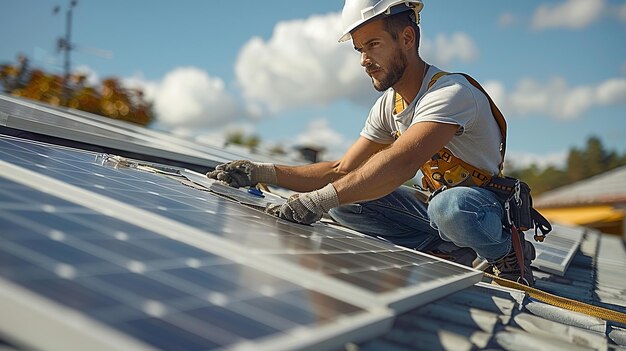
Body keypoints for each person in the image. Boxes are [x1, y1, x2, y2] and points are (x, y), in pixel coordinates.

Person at [207, 0, 536, 286]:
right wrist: (260, 172)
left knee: (451, 207)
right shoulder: (388, 106)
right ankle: (452, 249)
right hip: (436, 214)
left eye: (374, 44)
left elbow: (401, 162)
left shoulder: (451, 94)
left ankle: (506, 252)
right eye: (360, 49)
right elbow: (341, 169)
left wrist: (318, 201)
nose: (364, 59)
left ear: (407, 38)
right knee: (349, 196)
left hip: (481, 210)